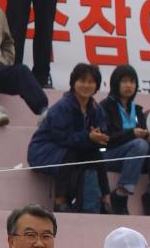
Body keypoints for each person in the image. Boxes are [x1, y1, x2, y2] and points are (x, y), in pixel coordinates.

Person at [27, 62, 110, 213]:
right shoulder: (63, 106)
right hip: (45, 151)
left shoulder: (95, 108)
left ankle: (105, 199)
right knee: (71, 151)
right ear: (74, 83)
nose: (86, 85)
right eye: (82, 81)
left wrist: (99, 135)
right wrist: (89, 137)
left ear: (96, 86)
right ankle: (60, 200)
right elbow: (62, 137)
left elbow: (102, 128)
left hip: (73, 148)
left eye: (91, 82)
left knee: (96, 154)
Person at [100, 63, 150, 215]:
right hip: (108, 155)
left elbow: (143, 135)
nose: (129, 85)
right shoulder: (105, 106)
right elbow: (106, 139)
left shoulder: (137, 110)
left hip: (135, 157)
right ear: (115, 83)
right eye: (124, 81)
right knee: (139, 144)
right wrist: (132, 134)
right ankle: (120, 193)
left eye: (132, 82)